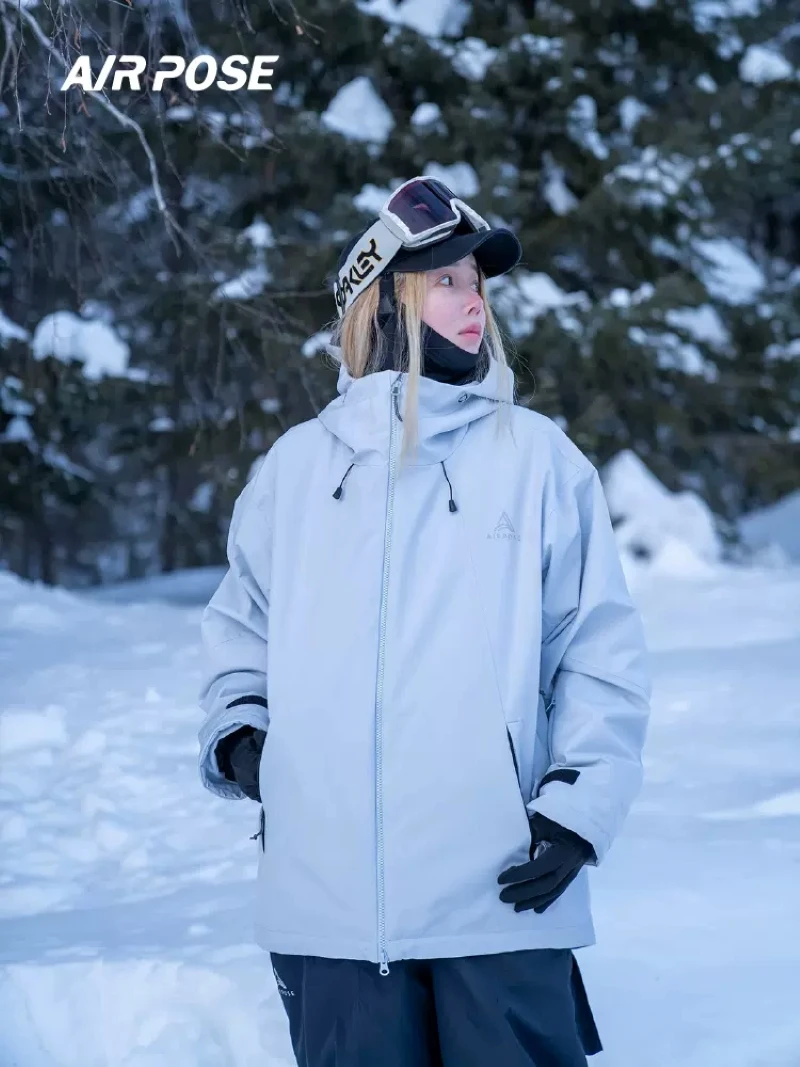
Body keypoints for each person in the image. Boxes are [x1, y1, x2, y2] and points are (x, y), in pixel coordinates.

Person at [197, 176, 652, 1067]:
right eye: (445, 280)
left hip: (498, 890)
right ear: (386, 304)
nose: (472, 299)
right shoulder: (294, 471)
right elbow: (239, 631)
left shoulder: (538, 461)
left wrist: (578, 811)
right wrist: (240, 736)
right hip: (325, 904)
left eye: (476, 282)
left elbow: (597, 650)